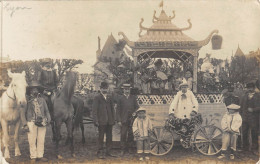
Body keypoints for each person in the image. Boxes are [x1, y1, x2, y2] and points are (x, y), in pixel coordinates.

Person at [25, 81, 51, 162]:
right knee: (32, 139)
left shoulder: (42, 100)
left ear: (38, 91)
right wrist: (24, 123)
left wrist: (48, 119)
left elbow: (46, 111)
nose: (34, 91)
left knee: (41, 139)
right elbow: (22, 112)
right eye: (33, 90)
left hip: (42, 121)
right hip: (31, 122)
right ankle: (33, 156)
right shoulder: (27, 101)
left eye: (36, 89)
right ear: (30, 91)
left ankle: (40, 155)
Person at [92, 82, 116, 159]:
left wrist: (113, 119)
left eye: (106, 88)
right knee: (101, 137)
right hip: (101, 121)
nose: (105, 89)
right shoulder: (97, 97)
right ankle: (100, 152)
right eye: (103, 88)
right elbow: (94, 110)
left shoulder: (110, 97)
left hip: (110, 120)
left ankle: (108, 151)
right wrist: (96, 120)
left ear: (107, 88)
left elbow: (112, 109)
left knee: (109, 136)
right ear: (100, 89)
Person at [116, 83, 139, 156]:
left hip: (131, 120)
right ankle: (122, 149)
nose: (127, 91)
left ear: (130, 90)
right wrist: (119, 120)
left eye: (128, 89)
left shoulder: (133, 98)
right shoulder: (120, 98)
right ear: (123, 90)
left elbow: (137, 107)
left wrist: (135, 113)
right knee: (123, 134)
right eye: (125, 89)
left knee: (131, 134)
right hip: (123, 120)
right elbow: (118, 110)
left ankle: (130, 148)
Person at [240, 81, 260, 154]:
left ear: (254, 88)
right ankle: (245, 148)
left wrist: (253, 109)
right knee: (244, 133)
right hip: (244, 118)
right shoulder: (244, 96)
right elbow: (241, 107)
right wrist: (240, 116)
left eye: (251, 88)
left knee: (254, 133)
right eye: (248, 88)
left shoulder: (258, 96)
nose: (249, 89)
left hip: (254, 118)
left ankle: (254, 149)